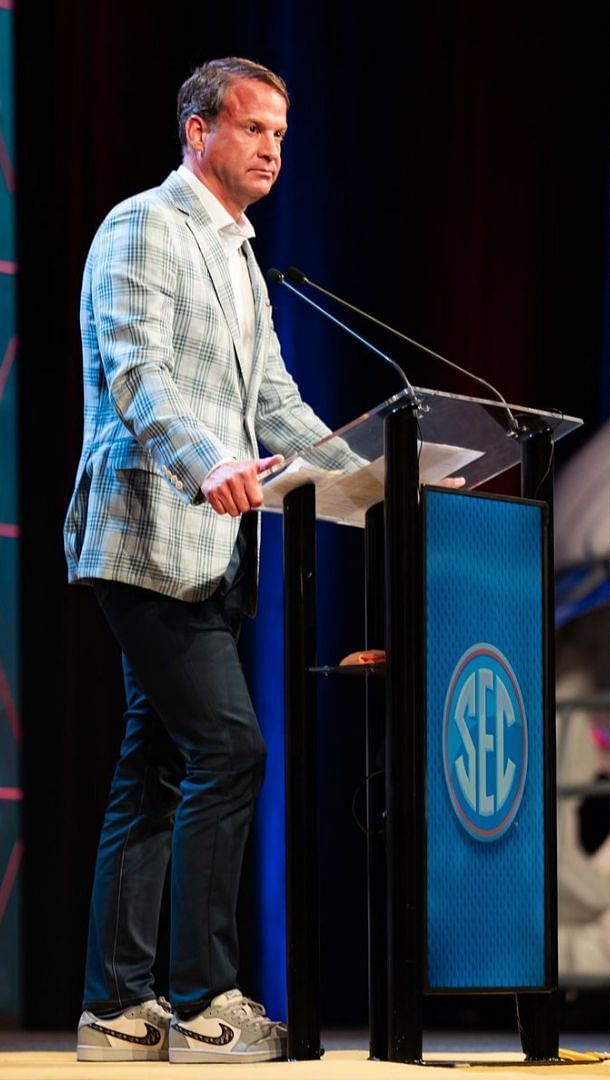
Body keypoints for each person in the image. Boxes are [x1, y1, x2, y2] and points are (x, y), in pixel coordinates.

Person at [64, 57, 328, 1064]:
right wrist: (208, 458)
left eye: (280, 135)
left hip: (213, 552)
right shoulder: (145, 226)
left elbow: (276, 399)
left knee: (161, 766)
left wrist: (374, 466)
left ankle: (117, 1010)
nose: (270, 149)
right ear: (197, 129)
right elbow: (138, 372)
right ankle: (204, 996)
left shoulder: (245, 259)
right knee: (230, 748)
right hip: (145, 536)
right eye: (254, 129)